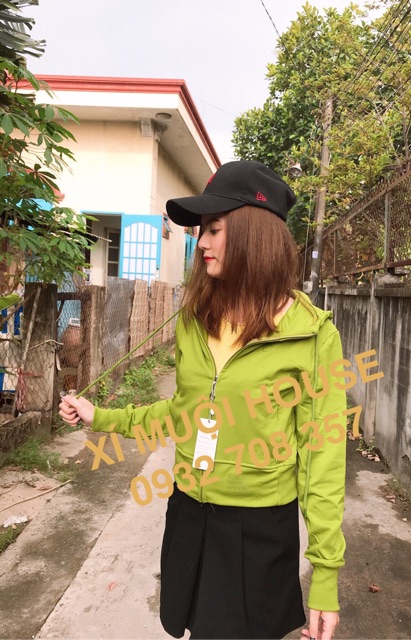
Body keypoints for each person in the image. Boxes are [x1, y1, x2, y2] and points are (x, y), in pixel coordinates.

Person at [59, 160, 347, 640]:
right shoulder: (195, 320)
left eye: (214, 228)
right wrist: (100, 416)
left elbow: (322, 459)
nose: (202, 242)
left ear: (255, 234)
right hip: (189, 513)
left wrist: (326, 576)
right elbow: (181, 413)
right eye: (201, 230)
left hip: (258, 530)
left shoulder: (312, 336)